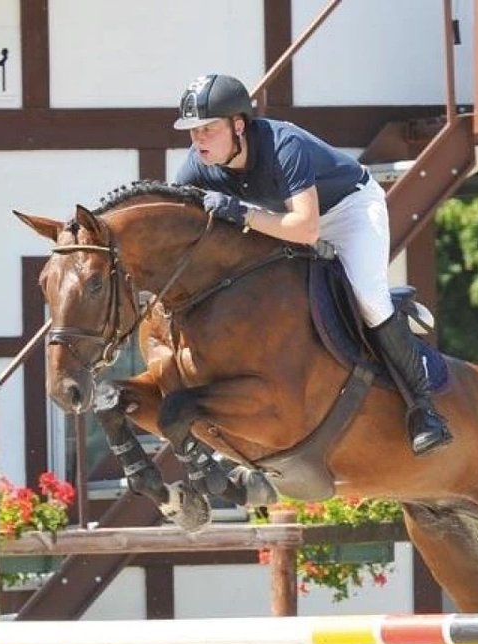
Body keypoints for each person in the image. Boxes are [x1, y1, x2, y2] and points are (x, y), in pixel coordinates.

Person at [171, 73, 451, 456]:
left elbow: (305, 227)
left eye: (208, 129)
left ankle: (424, 409)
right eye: (193, 131)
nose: (199, 140)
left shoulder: (282, 145)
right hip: (281, 218)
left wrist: (240, 213)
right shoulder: (197, 167)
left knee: (368, 298)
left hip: (349, 212)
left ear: (238, 125)